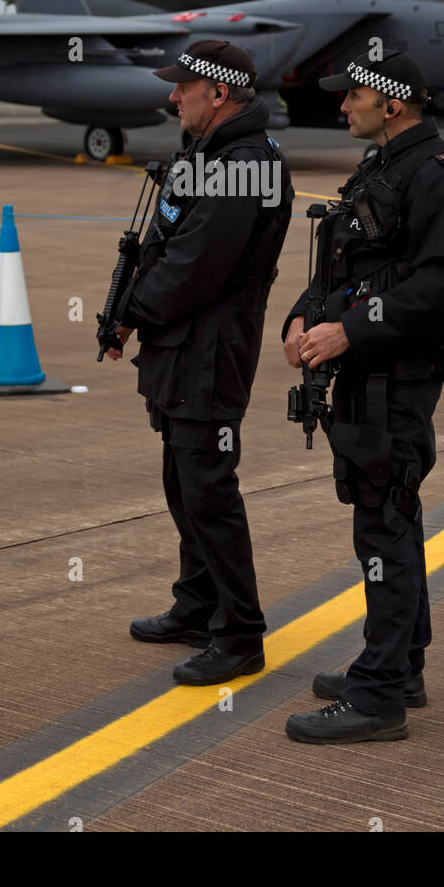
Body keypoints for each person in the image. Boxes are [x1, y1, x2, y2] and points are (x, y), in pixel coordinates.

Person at [281, 47, 444, 743]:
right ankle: (399, 665)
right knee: (388, 515)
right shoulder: (385, 169)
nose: (342, 106)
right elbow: (349, 262)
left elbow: (437, 292)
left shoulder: (443, 180)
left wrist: (348, 334)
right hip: (369, 375)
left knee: (384, 520)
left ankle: (378, 699)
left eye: (352, 96)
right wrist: (304, 315)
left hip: (397, 378)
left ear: (391, 103)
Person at [108, 39, 294, 686]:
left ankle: (240, 632)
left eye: (182, 86)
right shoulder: (215, 155)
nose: (171, 95)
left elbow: (195, 267)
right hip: (184, 348)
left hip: (208, 350)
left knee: (208, 490)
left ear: (218, 93)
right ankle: (197, 603)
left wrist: (131, 312)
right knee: (182, 482)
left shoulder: (245, 164)